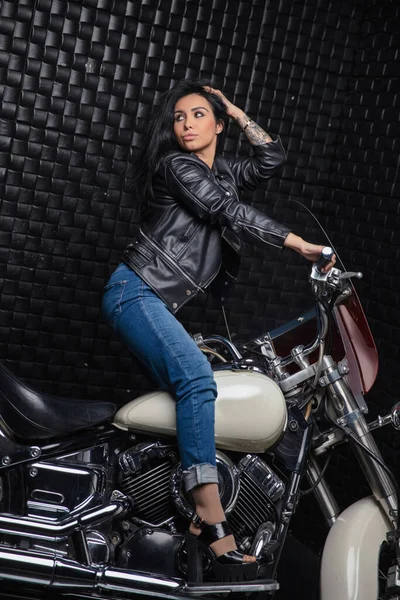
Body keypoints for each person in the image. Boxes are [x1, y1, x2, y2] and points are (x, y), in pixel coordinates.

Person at [102, 79, 335, 582]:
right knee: (197, 382)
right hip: (135, 292)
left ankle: (177, 526)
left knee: (202, 387)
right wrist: (299, 245)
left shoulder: (222, 170)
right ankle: (212, 526)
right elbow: (226, 211)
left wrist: (233, 107)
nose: (185, 124)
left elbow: (272, 159)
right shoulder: (179, 168)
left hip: (154, 299)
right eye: (179, 118)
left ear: (218, 124)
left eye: (198, 115)